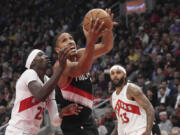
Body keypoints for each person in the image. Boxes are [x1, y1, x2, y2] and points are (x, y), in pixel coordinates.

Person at [53, 9, 115, 135]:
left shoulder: (81, 54)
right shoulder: (60, 65)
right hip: (73, 125)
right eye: (64, 40)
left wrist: (108, 27)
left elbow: (106, 46)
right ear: (58, 49)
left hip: (88, 121)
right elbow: (80, 69)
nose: (70, 41)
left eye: (71, 38)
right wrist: (91, 41)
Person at [5, 47, 82, 135]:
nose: (45, 56)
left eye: (45, 54)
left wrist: (62, 113)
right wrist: (60, 67)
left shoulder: (49, 83)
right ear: (33, 62)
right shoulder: (29, 73)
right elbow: (40, 95)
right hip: (17, 131)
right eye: (40, 55)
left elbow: (54, 121)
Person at [110, 65, 155, 135]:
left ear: (124, 75)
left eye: (118, 73)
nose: (115, 75)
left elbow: (150, 109)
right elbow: (120, 121)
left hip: (140, 131)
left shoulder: (131, 89)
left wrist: (148, 132)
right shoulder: (112, 97)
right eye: (112, 73)